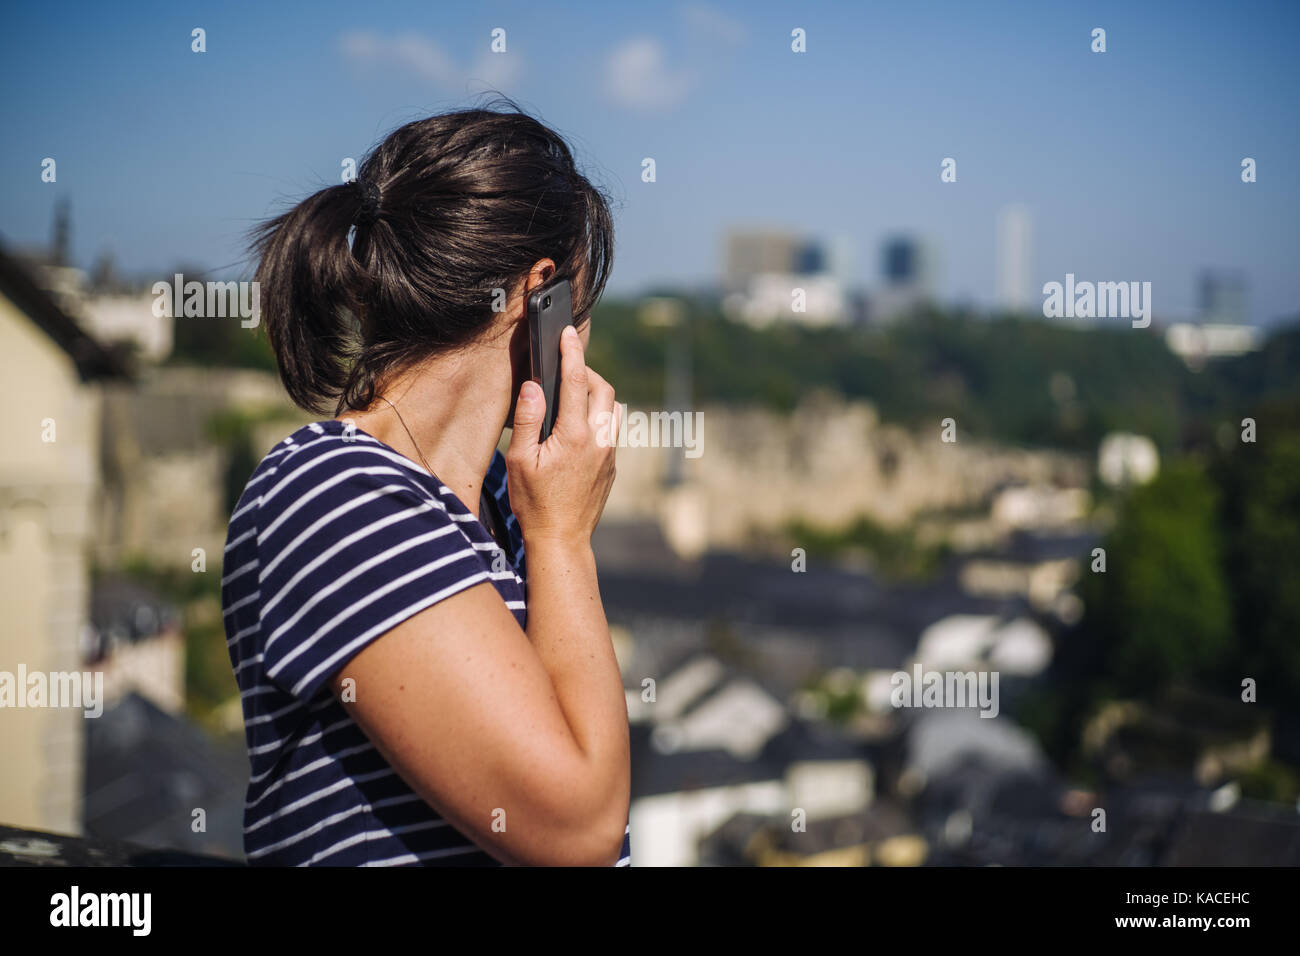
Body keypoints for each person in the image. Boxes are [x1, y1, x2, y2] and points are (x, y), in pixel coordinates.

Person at [221, 103, 631, 866]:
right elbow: (579, 829)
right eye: (578, 302)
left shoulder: (504, 512)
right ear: (538, 293)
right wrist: (566, 538)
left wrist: (545, 527)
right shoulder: (332, 491)